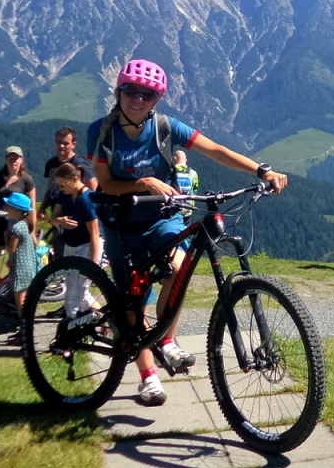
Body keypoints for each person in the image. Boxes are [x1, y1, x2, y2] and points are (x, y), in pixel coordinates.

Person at [87, 58, 286, 406]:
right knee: (134, 302)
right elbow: (105, 184)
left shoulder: (165, 127)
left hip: (160, 217)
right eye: (131, 91)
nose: (138, 99)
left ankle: (166, 340)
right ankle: (148, 377)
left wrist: (262, 171)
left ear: (157, 99)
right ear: (119, 92)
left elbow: (217, 151)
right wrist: (144, 183)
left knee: (179, 269)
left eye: (147, 94)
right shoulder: (102, 132)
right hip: (120, 221)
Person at [49, 162, 102, 318]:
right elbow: (53, 218)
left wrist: (93, 265)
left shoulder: (86, 199)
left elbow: (94, 233)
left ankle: (72, 319)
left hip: (86, 246)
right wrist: (60, 221)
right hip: (70, 244)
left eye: (63, 185)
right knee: (77, 289)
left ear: (74, 179)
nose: (60, 188)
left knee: (74, 295)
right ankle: (104, 317)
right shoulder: (65, 195)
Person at [38, 127, 98, 259]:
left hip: (76, 217)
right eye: (59, 142)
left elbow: (93, 188)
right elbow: (50, 188)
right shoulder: (52, 163)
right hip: (58, 213)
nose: (61, 146)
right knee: (59, 254)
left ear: (74, 144)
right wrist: (42, 208)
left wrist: (86, 208)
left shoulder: (77, 163)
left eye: (65, 143)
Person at [0, 146, 37, 287]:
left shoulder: (26, 180)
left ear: (21, 160)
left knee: (16, 262)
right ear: (5, 160)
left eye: (16, 158)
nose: (13, 161)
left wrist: (32, 230)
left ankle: (12, 292)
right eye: (10, 158)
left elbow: (32, 207)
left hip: (17, 224)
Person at [4, 192, 41, 345]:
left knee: (21, 304)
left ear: (17, 210)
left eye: (9, 206)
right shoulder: (27, 225)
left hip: (20, 268)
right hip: (29, 266)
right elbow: (34, 244)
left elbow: (11, 249)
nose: (6, 208)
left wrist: (6, 238)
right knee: (25, 301)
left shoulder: (17, 227)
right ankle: (24, 332)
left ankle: (25, 334)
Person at [173, 149, 200, 220]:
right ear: (186, 160)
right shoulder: (193, 173)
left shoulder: (170, 172)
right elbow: (194, 189)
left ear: (174, 158)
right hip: (187, 210)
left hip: (173, 211)